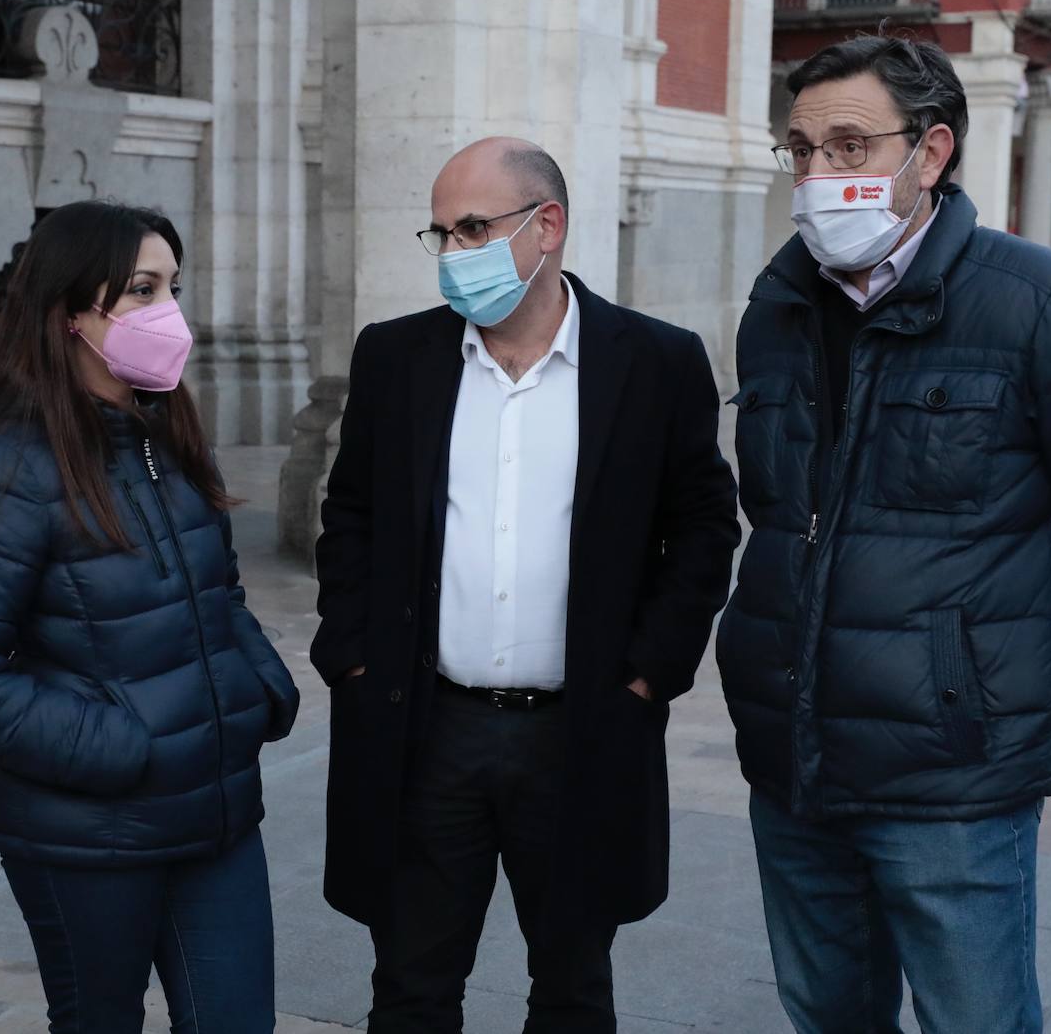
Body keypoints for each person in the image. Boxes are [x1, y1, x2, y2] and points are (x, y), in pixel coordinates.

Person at [716, 35, 1051, 1034]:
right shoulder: (778, 309)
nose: (818, 176)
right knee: (827, 1014)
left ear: (929, 154)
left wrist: (982, 673)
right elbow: (778, 518)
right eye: (801, 153)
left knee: (975, 1020)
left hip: (952, 783)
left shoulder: (1047, 305)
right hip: (794, 761)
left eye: (850, 147)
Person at [311, 137, 740, 1033]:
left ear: (548, 226)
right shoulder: (397, 358)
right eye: (442, 234)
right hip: (429, 729)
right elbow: (348, 515)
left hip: (581, 730)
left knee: (573, 990)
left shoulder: (655, 362)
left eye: (474, 227)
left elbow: (702, 525)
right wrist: (349, 657)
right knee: (412, 987)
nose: (455, 252)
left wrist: (646, 676)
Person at [0, 201, 300, 1034]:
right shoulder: (11, 466)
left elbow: (220, 593)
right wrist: (124, 746)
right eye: (141, 289)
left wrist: (257, 685)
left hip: (218, 813)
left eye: (172, 287)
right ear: (69, 313)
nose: (170, 313)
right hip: (91, 832)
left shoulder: (164, 438)